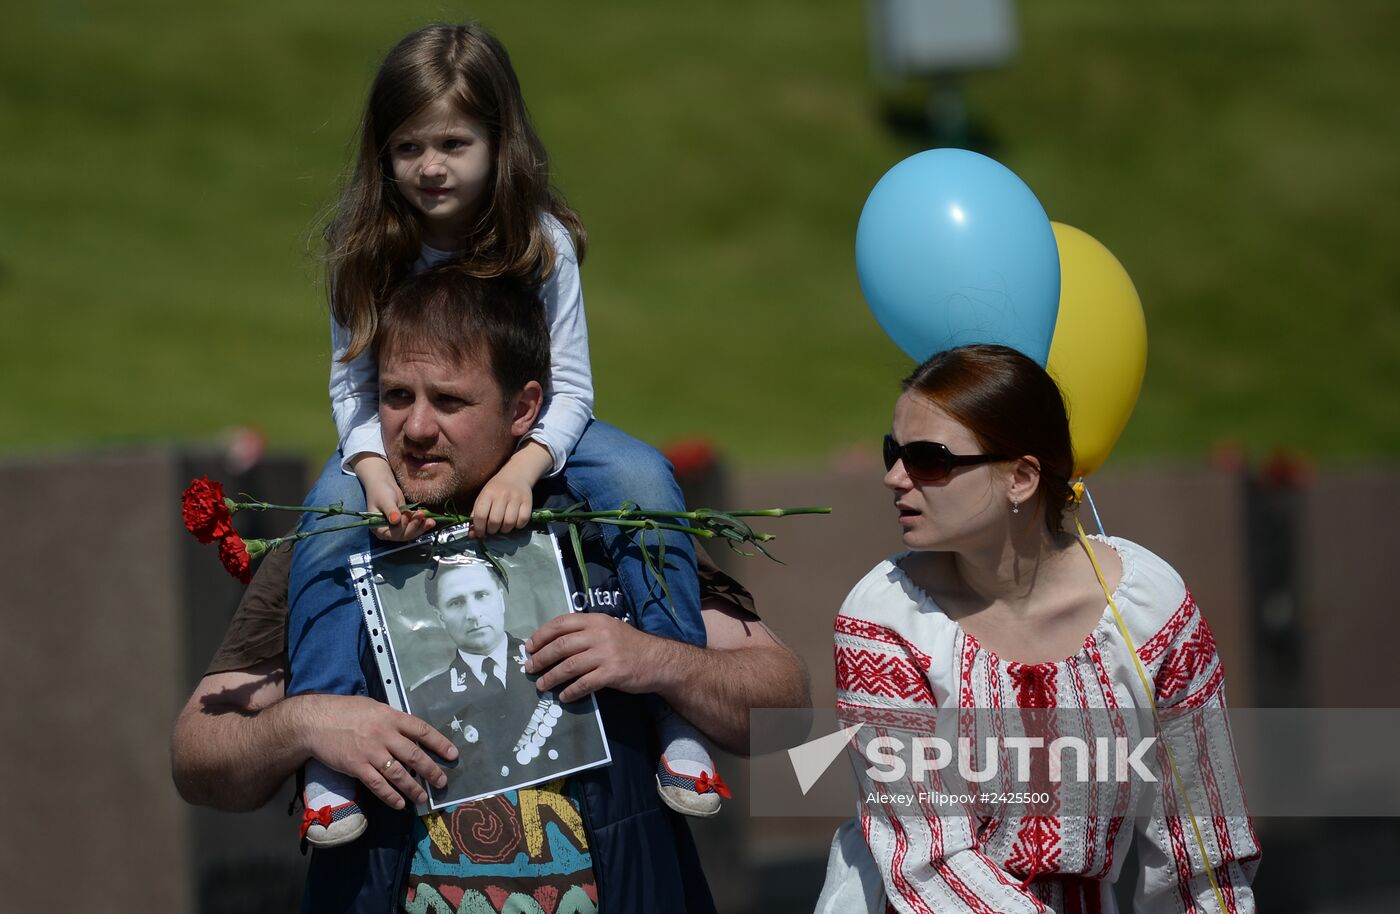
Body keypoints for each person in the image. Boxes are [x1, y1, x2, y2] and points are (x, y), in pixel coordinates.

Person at [172, 267, 810, 913]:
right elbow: (198, 755)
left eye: (450, 402)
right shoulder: (339, 540)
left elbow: (785, 711)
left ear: (524, 409)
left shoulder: (612, 523)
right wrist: (306, 723)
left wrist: (659, 662)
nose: (416, 428)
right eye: (396, 396)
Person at [289, 22, 718, 844]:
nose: (430, 167)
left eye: (454, 142)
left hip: (543, 429)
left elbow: (574, 388)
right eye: (408, 146)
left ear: (499, 141)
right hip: (392, 440)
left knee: (642, 480)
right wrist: (373, 472)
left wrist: (523, 469)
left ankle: (679, 714)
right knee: (327, 519)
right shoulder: (369, 250)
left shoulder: (540, 242)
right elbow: (350, 383)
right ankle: (324, 751)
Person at [815, 345, 1260, 914]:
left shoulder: (1151, 607)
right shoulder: (885, 618)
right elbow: (927, 859)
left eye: (929, 459)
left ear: (1021, 478)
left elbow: (1205, 849)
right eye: (892, 452)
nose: (893, 477)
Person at [406, 558, 607, 803]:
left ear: (500, 599)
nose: (473, 614)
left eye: (481, 595)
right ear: (440, 616)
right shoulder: (422, 700)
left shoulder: (561, 659)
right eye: (456, 603)